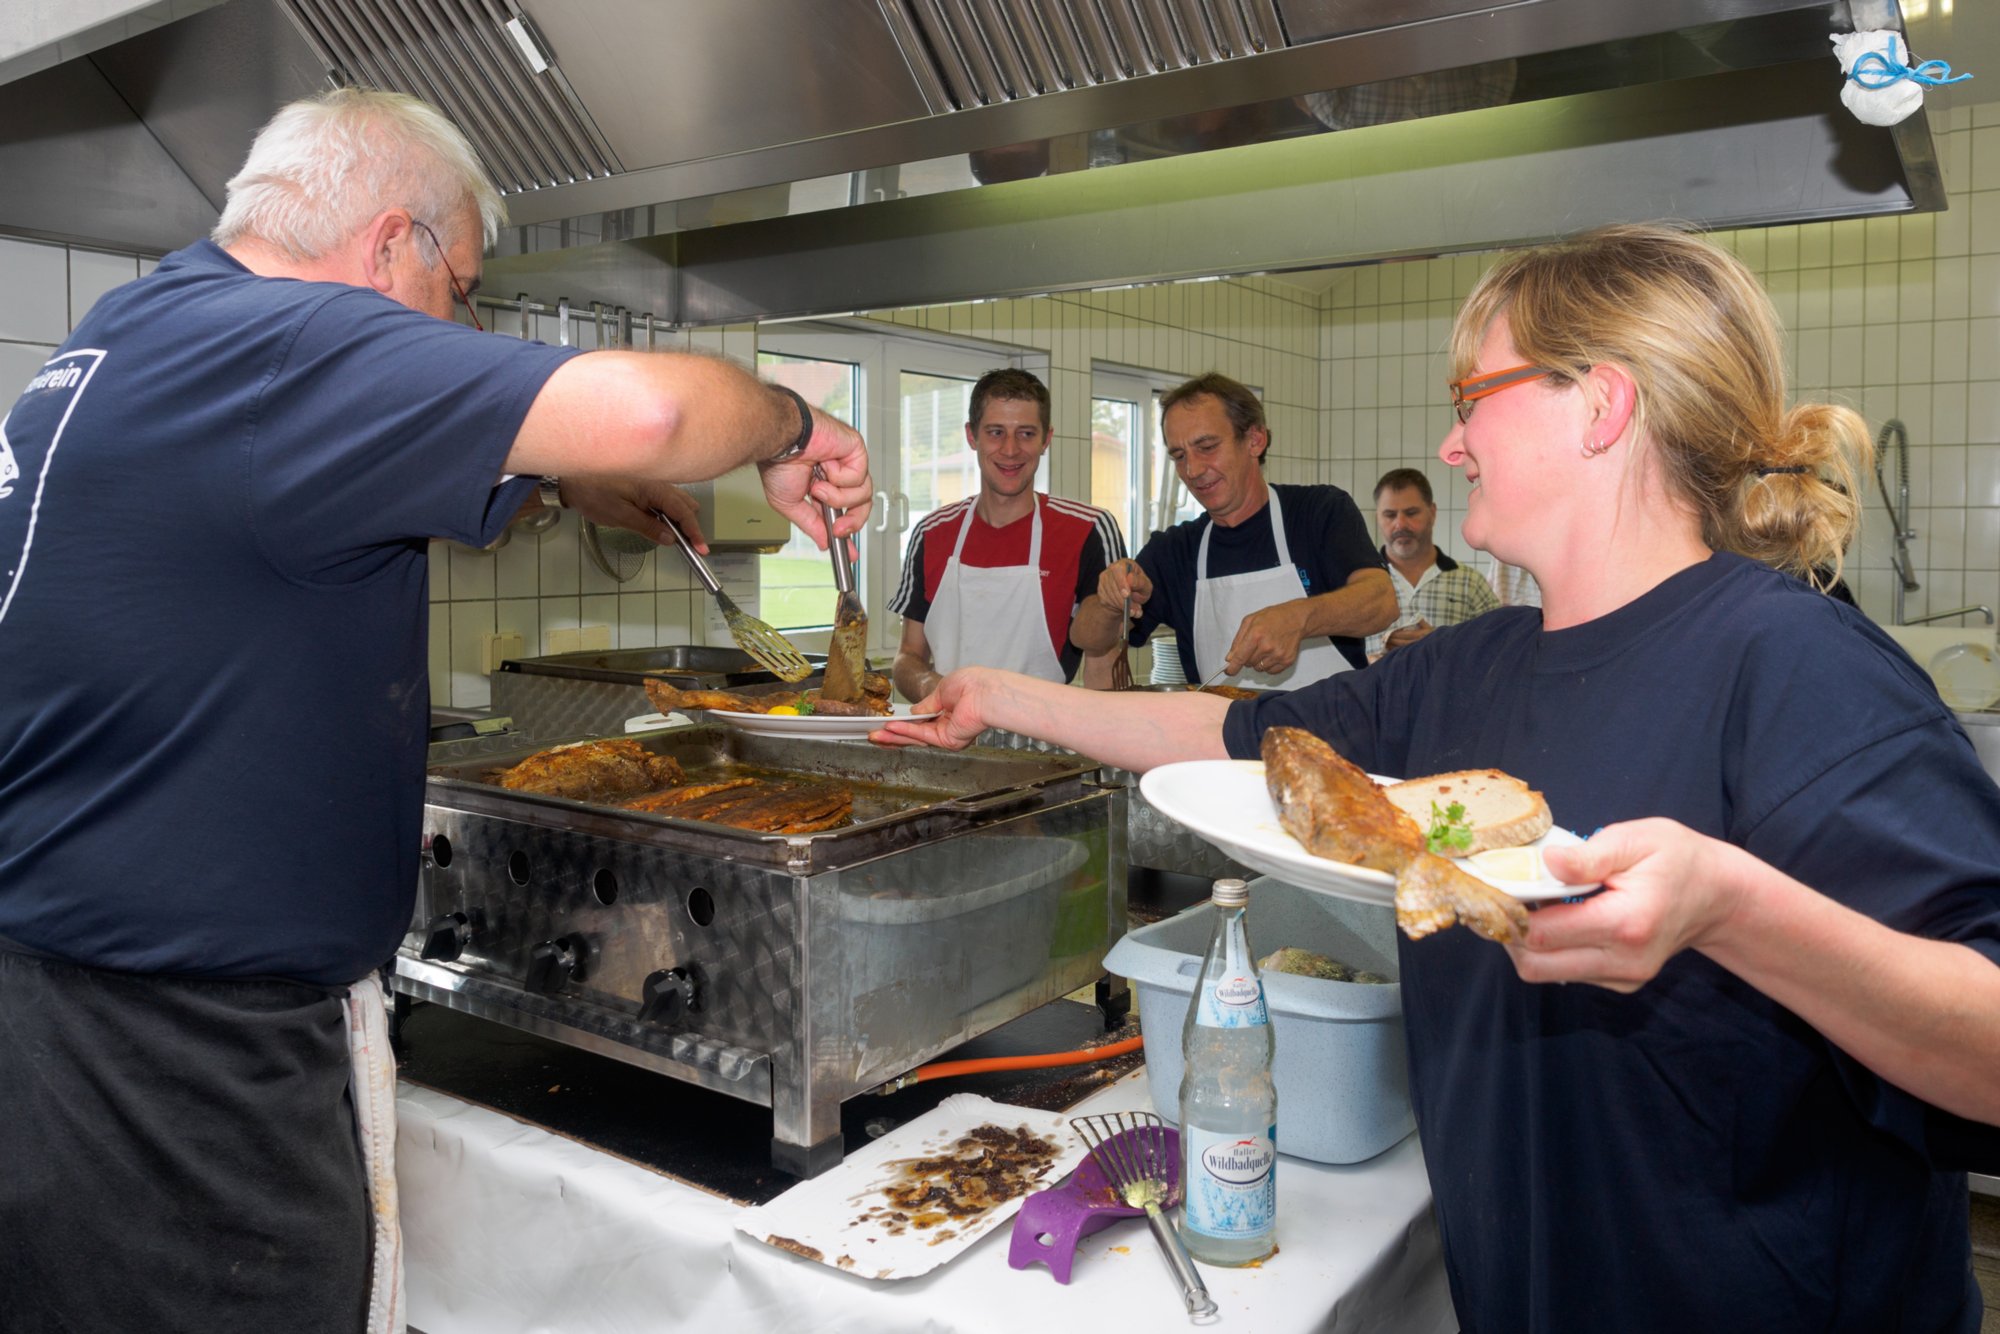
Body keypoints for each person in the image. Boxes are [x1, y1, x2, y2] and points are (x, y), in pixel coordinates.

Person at [881, 224, 2000, 1331]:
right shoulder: (1475, 664)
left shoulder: (1794, 664)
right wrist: (996, 695)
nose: (1453, 444)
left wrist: (1732, 907)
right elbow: (1238, 733)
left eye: (1473, 396)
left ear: (1598, 405)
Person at [0, 89, 872, 1334]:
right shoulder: (288, 340)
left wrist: (570, 487)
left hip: (67, 1019)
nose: (459, 321)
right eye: (462, 287)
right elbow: (657, 414)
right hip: (187, 1065)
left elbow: (291, 502)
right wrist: (793, 417)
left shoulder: (139, 333)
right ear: (388, 245)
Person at [1070, 372, 1395, 690]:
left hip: (1330, 735)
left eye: (1207, 447)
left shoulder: (1318, 512)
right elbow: (1087, 639)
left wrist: (1300, 618)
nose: (1193, 470)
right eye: (1179, 456)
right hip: (1221, 738)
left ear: (1255, 440)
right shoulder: (1176, 550)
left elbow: (1381, 601)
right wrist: (1111, 600)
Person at [889, 368, 1128, 697]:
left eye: (1026, 434)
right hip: (947, 730)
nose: (1011, 449)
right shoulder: (932, 534)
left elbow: (1102, 659)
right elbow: (909, 655)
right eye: (996, 432)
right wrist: (934, 687)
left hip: (1043, 739)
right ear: (972, 436)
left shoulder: (1088, 530)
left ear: (1047, 439)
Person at [1365, 466, 1499, 659]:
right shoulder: (1359, 584)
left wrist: (1442, 644)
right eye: (1390, 515)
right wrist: (1372, 659)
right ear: (1377, 517)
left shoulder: (1470, 584)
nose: (1400, 524)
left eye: (1411, 513)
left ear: (1432, 512)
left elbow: (1497, 652)